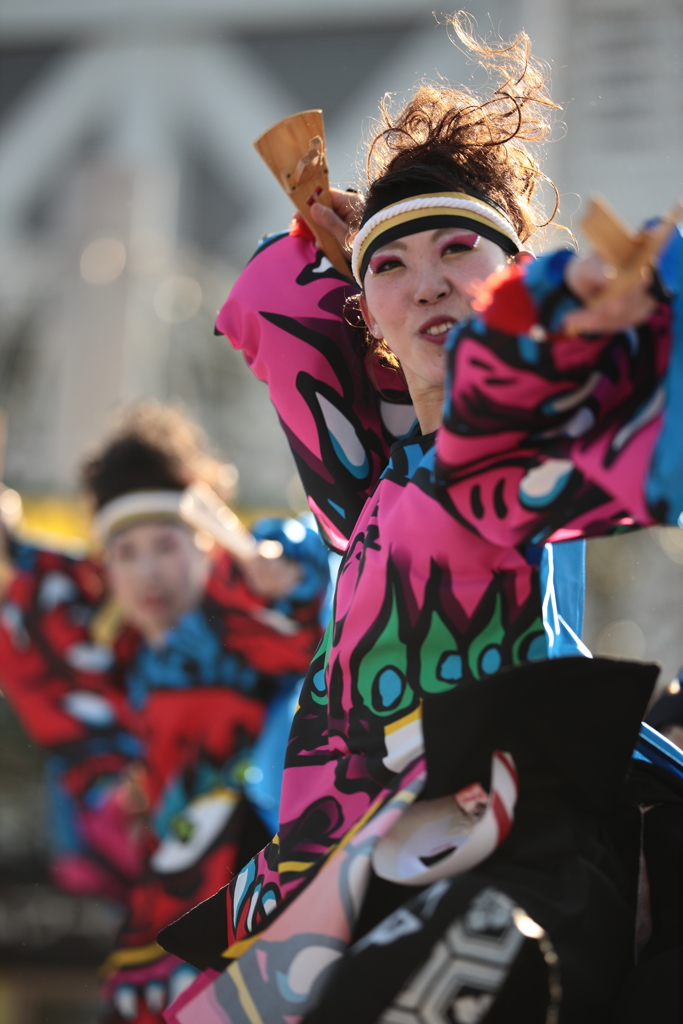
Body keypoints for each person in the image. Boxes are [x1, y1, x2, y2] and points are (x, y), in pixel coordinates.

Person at [159, 19, 683, 1024]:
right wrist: (345, 236)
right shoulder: (358, 487)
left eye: (459, 251)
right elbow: (265, 305)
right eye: (390, 267)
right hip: (350, 863)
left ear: (515, 275)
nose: (427, 279)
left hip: (505, 856)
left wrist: (563, 303)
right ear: (361, 313)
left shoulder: (515, 453)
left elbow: (614, 433)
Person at [0, 402, 330, 1024]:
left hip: (261, 910)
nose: (148, 571)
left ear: (208, 547)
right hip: (159, 925)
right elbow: (44, 607)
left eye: (167, 545)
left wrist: (274, 568)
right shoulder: (118, 663)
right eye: (126, 553)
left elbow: (308, 599)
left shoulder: (240, 634)